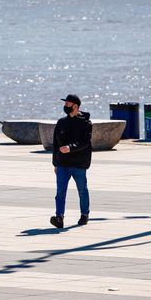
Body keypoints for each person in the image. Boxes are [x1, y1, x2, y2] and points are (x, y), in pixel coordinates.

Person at [50, 94, 92, 229]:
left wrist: (70, 148)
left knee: (82, 191)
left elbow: (85, 143)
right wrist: (55, 163)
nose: (65, 106)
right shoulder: (61, 122)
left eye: (68, 104)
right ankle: (59, 217)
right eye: (65, 104)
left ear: (76, 106)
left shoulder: (86, 123)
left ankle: (84, 214)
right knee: (60, 192)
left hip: (79, 163)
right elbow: (55, 144)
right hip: (62, 164)